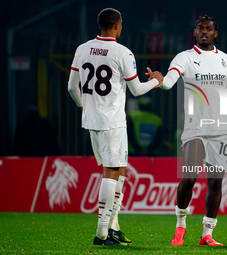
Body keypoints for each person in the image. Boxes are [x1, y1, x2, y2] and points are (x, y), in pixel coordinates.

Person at [68, 8, 163, 245]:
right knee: (111, 172)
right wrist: (156, 81)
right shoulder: (122, 52)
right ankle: (101, 234)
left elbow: (72, 87)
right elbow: (136, 90)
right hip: (112, 122)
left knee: (120, 169)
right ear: (118, 25)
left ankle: (113, 226)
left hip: (92, 121)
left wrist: (83, 107)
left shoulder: (82, 49)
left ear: (99, 24)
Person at [153, 15, 227, 246]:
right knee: (189, 178)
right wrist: (161, 80)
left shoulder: (226, 60)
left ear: (216, 33)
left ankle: (207, 233)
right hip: (195, 129)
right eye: (200, 28)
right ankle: (180, 225)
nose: (204, 32)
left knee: (215, 183)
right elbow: (169, 81)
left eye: (209, 29)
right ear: (194, 33)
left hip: (220, 131)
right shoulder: (184, 58)